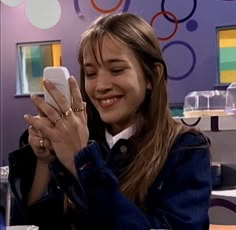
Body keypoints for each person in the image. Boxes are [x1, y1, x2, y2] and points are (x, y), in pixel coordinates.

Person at [8, 13, 212, 230]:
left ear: (152, 75)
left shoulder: (186, 149)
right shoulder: (79, 138)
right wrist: (45, 160)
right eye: (90, 73)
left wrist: (81, 161)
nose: (101, 86)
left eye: (116, 70)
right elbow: (35, 222)